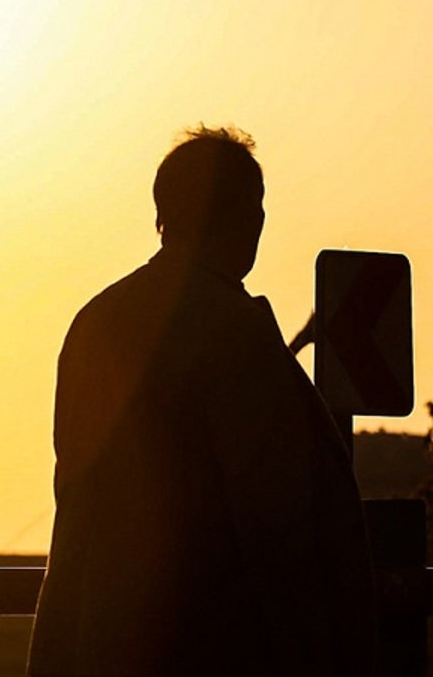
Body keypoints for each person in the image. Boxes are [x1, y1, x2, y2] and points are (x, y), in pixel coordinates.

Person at [27, 127, 376, 676]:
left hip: (92, 639)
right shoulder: (235, 333)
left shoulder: (95, 323)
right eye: (255, 207)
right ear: (242, 216)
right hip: (212, 646)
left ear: (163, 214)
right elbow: (272, 523)